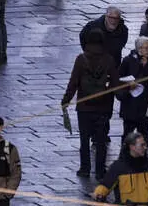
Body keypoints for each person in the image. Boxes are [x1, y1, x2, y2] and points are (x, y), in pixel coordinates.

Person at [64, 30, 120, 182]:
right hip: (104, 107)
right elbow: (115, 83)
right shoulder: (109, 59)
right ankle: (100, 171)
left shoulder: (81, 59)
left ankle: (85, 169)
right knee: (101, 141)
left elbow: (73, 82)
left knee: (84, 139)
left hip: (84, 107)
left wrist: (66, 99)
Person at [93, 131, 148, 204]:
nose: (145, 147)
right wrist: (98, 193)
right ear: (132, 147)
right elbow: (105, 185)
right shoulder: (118, 167)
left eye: (145, 145)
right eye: (142, 145)